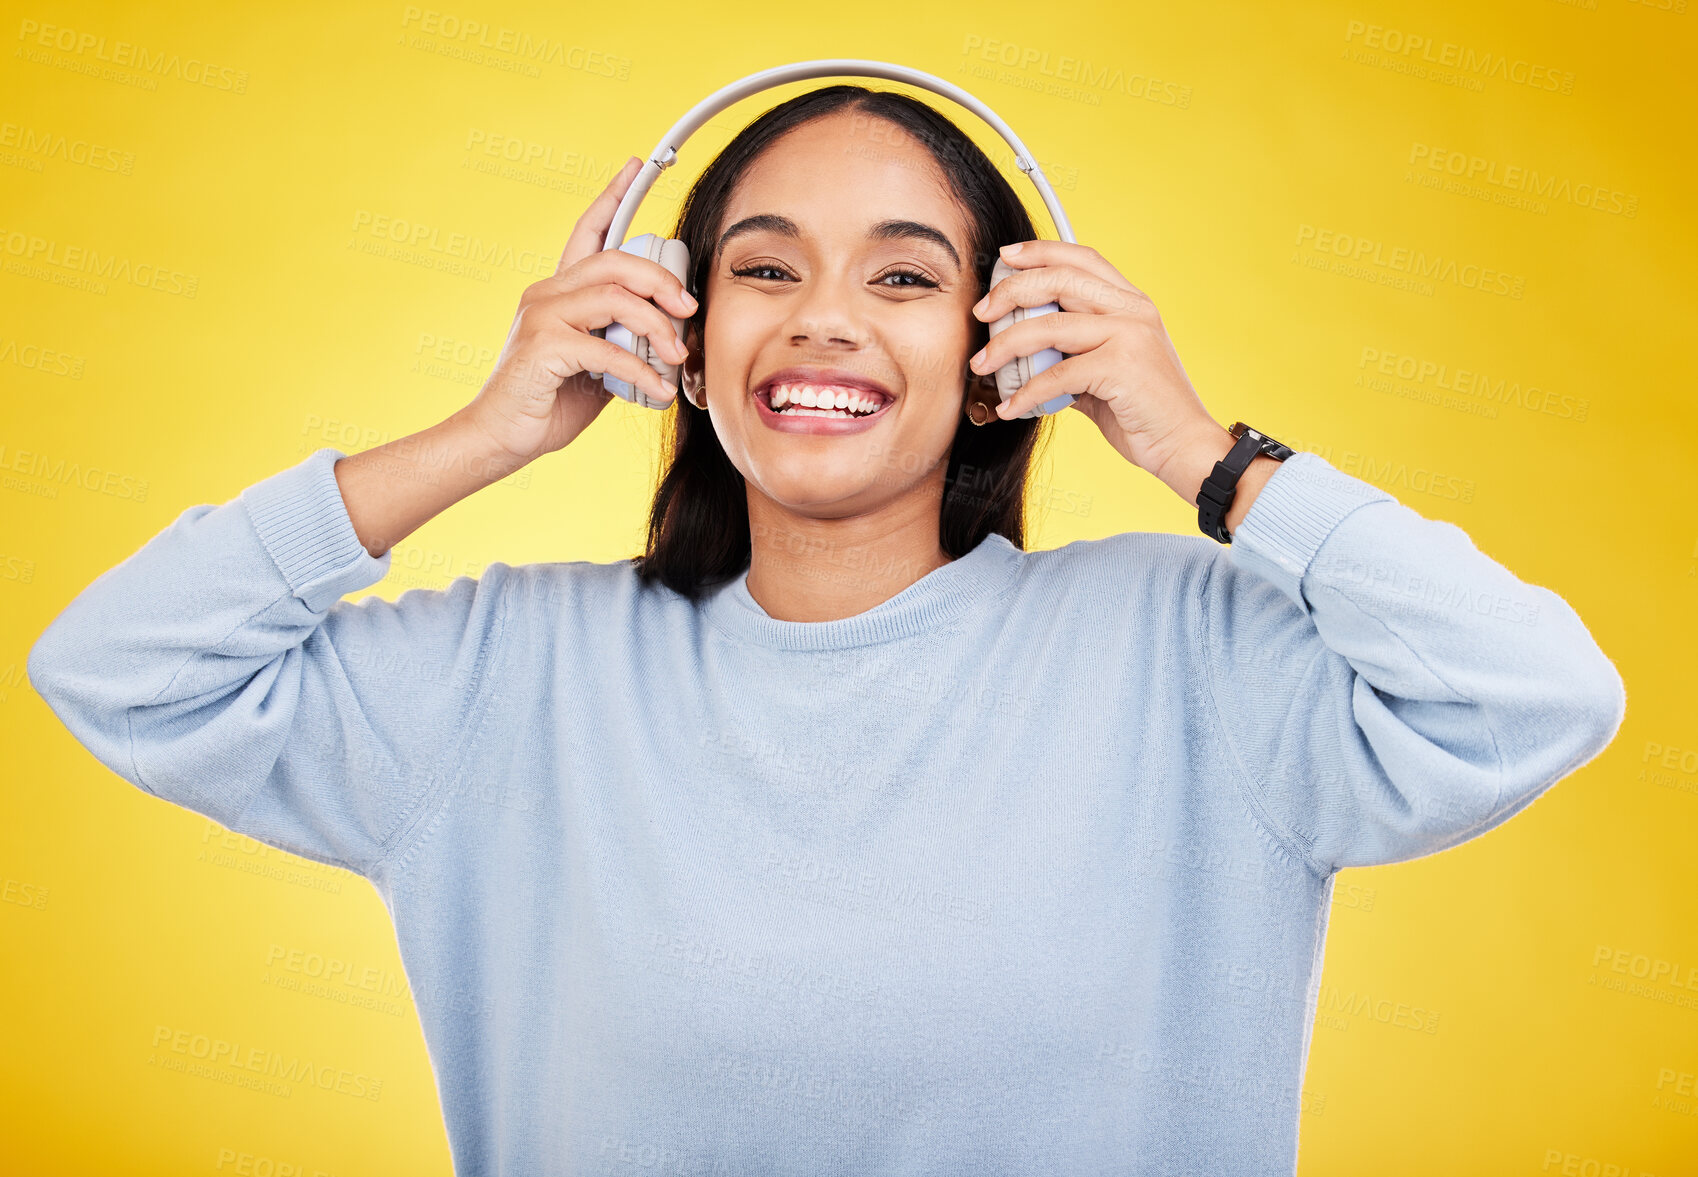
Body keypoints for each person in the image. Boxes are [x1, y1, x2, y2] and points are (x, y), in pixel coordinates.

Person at [28, 85, 1625, 1175]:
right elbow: (114, 666)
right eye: (761, 267)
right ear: (681, 324)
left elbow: (1534, 694)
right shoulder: (509, 678)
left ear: (1006, 339)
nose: (823, 321)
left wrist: (1203, 454)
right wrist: (489, 431)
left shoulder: (1188, 652)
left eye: (907, 276)